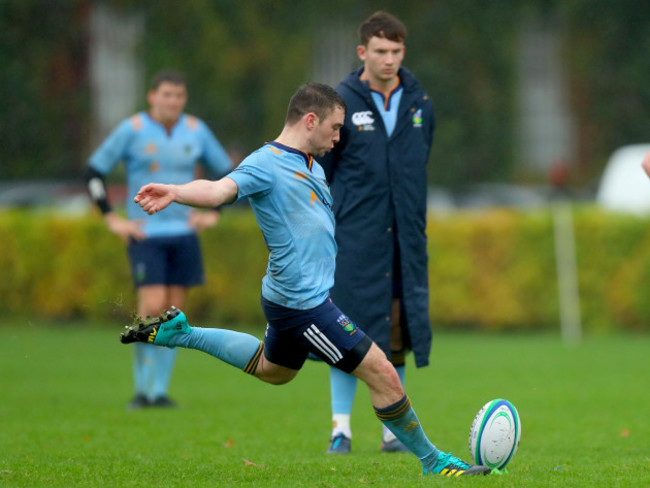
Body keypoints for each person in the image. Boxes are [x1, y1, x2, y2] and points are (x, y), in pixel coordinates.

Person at [121, 82, 489, 477]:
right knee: (382, 371)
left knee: (272, 370)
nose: (338, 137)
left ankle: (182, 333)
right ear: (310, 120)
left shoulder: (310, 161)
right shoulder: (267, 162)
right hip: (302, 305)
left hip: (294, 297)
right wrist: (175, 191)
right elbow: (219, 189)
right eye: (334, 128)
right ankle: (434, 462)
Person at [317, 11, 435, 454]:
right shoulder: (340, 104)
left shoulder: (421, 103)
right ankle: (340, 429)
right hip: (355, 239)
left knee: (397, 335)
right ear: (362, 52)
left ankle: (394, 433)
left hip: (404, 239)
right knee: (346, 334)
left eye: (397, 51)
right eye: (380, 51)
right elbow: (323, 171)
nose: (389, 59)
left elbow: (417, 163)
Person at [85, 69, 233, 409]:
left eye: (179, 96)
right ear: (152, 96)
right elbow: (94, 172)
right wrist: (111, 219)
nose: (173, 101)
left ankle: (160, 392)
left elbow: (228, 172)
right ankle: (142, 390)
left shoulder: (195, 130)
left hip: (184, 234)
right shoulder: (132, 129)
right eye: (167, 95)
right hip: (145, 234)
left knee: (173, 315)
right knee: (150, 309)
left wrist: (213, 213)